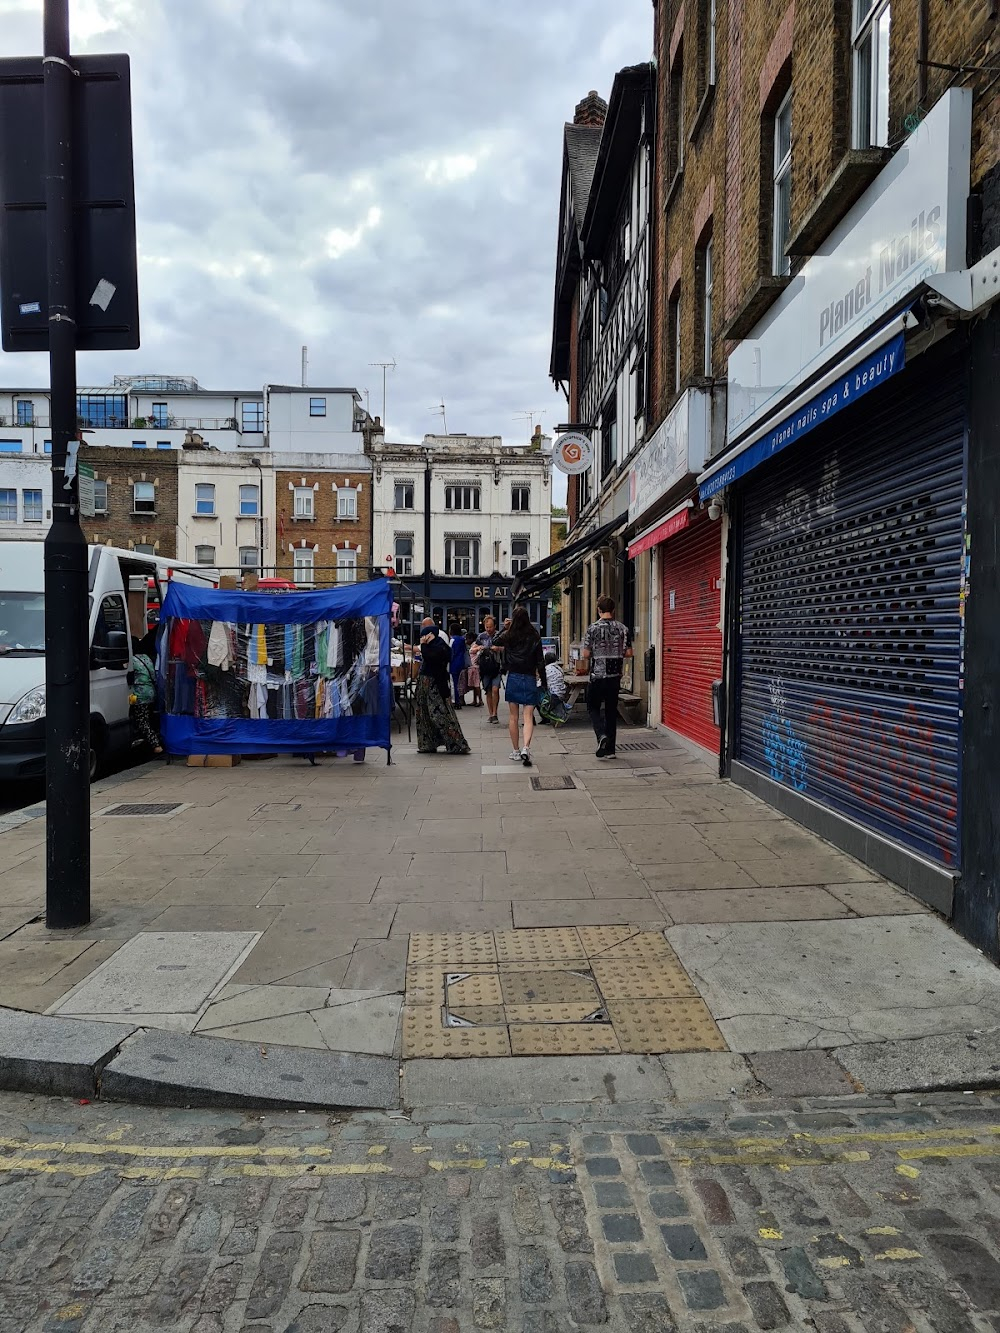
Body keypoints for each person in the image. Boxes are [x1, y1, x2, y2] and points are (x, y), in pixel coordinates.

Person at [580, 595, 633, 759]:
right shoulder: (623, 629)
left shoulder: (592, 629)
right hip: (614, 676)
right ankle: (610, 750)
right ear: (613, 610)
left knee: (592, 707)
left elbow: (586, 654)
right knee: (611, 710)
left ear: (599, 610)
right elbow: (629, 653)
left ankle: (601, 734)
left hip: (598, 676)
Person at [493, 606, 546, 767]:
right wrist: (544, 681)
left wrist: (504, 627)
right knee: (528, 716)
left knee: (513, 717)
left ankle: (515, 751)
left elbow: (495, 641)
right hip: (529, 677)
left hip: (513, 677)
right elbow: (540, 661)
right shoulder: (535, 635)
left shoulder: (509, 635)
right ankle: (526, 748)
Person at [414, 617, 471, 755]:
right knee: (425, 713)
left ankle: (454, 743)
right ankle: (429, 743)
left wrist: (425, 646)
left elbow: (430, 657)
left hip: (434, 684)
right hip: (432, 683)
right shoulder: (439, 645)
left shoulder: (437, 646)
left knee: (438, 714)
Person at [131, 648, 163, 755]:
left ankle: (156, 744)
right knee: (149, 719)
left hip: (140, 695)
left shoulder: (132, 660)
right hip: (151, 692)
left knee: (142, 721)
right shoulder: (146, 657)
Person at [474, 615, 501, 725]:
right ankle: (491, 714)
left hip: (497, 667)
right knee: (488, 691)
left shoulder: (500, 636)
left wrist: (498, 648)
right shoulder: (481, 637)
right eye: (486, 627)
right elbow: (472, 649)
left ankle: (495, 713)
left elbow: (507, 648)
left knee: (495, 689)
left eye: (490, 627)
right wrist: (479, 648)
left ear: (495, 626)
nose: (488, 629)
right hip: (485, 668)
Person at [449, 621, 467, 707]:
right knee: (460, 683)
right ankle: (460, 699)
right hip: (461, 663)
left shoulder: (452, 640)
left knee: (454, 683)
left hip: (454, 664)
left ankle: (455, 701)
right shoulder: (462, 640)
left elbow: (451, 653)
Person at [463, 631, 482, 707]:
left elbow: (480, 649)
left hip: (475, 667)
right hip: (472, 667)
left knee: (476, 685)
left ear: (471, 639)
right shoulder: (472, 645)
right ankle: (475, 700)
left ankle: (480, 700)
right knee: (474, 685)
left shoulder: (475, 645)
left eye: (467, 639)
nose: (466, 640)